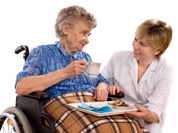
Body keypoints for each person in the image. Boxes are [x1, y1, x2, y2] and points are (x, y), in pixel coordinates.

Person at [15, 5, 148, 133]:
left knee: (130, 124)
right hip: (61, 103)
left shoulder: (85, 57)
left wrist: (102, 87)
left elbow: (101, 80)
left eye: (89, 34)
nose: (87, 40)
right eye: (84, 33)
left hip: (91, 105)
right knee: (99, 129)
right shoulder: (42, 53)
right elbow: (21, 87)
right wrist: (64, 73)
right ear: (66, 29)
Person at [101, 18, 173, 133]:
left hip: (147, 120)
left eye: (142, 44)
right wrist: (105, 86)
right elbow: (100, 81)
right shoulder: (118, 57)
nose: (135, 46)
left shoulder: (166, 70)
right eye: (136, 39)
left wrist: (145, 114)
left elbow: (156, 109)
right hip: (115, 111)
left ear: (157, 50)